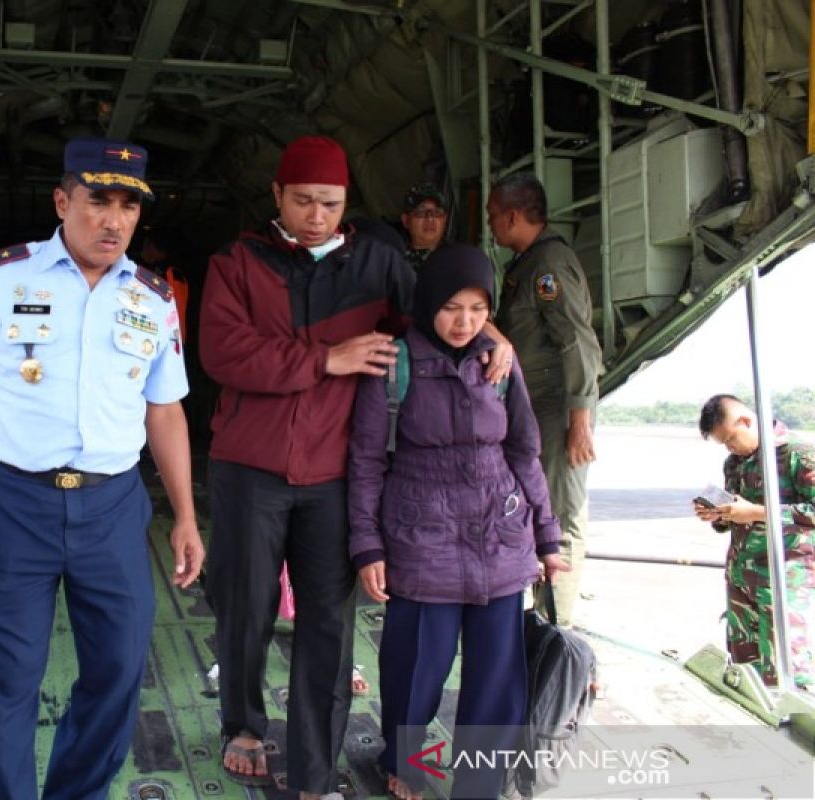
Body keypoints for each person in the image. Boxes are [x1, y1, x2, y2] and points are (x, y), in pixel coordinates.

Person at [199, 135, 513, 799]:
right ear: (278, 196)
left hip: (334, 473)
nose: (317, 215)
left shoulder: (376, 260)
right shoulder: (238, 263)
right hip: (248, 468)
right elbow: (226, 354)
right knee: (245, 608)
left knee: (328, 625)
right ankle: (244, 725)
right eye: (305, 200)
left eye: (331, 203)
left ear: (346, 204)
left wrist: (490, 334)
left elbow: (439, 313)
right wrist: (326, 359)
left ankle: (315, 774)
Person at [0, 137, 204, 800]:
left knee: (120, 670)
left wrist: (186, 516)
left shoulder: (154, 299)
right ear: (62, 201)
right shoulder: (2, 277)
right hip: (15, 504)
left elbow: (166, 414)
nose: (114, 219)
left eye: (128, 205)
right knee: (9, 679)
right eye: (98, 200)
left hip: (111, 508)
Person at [348, 244, 568, 800]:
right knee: (416, 669)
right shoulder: (394, 363)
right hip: (423, 539)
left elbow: (525, 451)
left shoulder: (499, 362)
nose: (463, 321)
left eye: (476, 308)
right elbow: (368, 460)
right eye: (451, 307)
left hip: (500, 536)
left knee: (495, 679)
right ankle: (408, 762)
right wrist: (368, 545)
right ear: (427, 304)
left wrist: (547, 536)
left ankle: (479, 783)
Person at [487, 172, 602, 628]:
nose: (492, 225)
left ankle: (558, 627)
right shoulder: (527, 264)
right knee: (540, 512)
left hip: (559, 411)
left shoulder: (549, 263)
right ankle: (539, 617)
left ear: (514, 216)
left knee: (562, 516)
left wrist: (579, 420)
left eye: (495, 216)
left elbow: (577, 342)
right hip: (537, 410)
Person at [694, 394, 815, 688]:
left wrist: (756, 513)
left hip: (784, 578)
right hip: (742, 581)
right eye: (723, 443)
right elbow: (734, 513)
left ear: (746, 421)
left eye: (731, 439)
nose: (729, 447)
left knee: (787, 669)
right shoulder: (734, 464)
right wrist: (719, 514)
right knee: (746, 674)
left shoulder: (797, 455)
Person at [400, 182, 449, 271]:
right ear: (406, 220)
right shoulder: (395, 263)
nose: (430, 218)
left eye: (437, 212)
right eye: (420, 212)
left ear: (445, 219)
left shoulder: (457, 259)